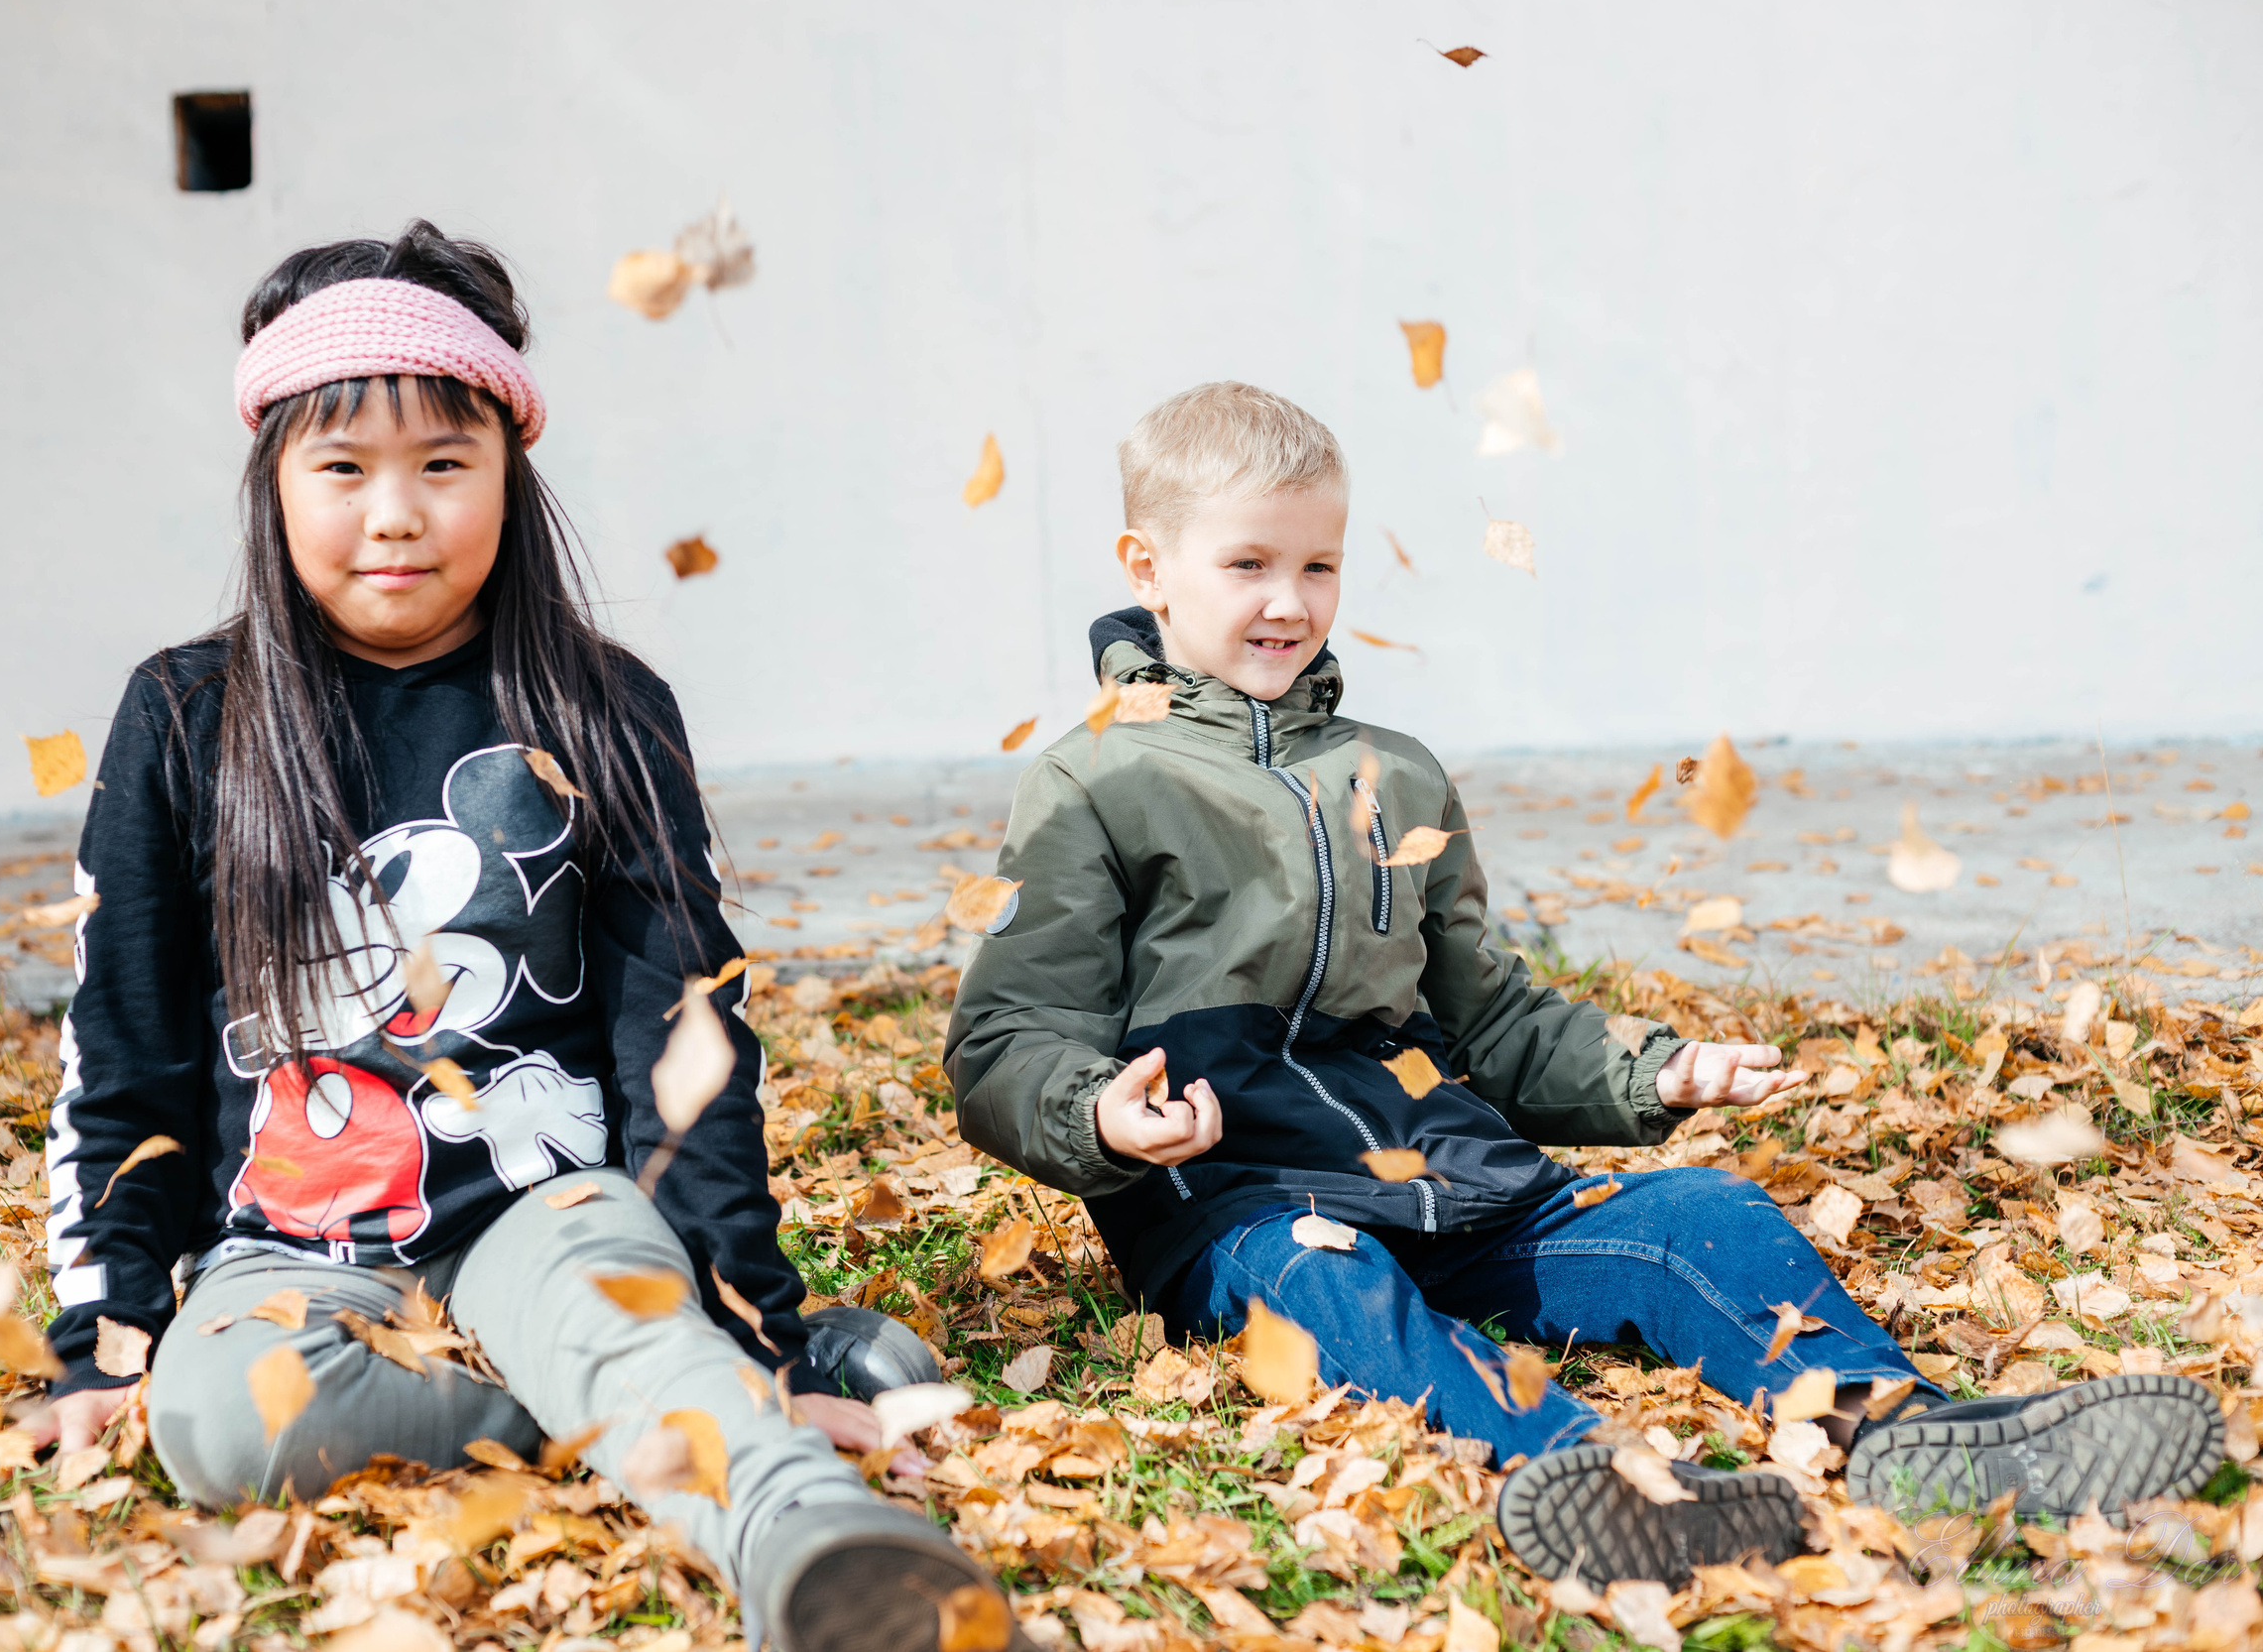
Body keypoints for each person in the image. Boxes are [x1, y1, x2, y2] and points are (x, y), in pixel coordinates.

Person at [945, 381, 2225, 1588]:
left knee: (1699, 1217)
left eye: (1319, 563)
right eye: (1249, 564)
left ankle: (1896, 1425)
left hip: (1458, 1186)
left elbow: (1491, 1014)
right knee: (1330, 1276)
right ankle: (1593, 1483)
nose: (1290, 599)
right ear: (1147, 568)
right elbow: (1007, 1034)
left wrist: (1647, 1069)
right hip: (1240, 1204)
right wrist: (1100, 1111)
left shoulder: (1395, 772)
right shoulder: (1099, 780)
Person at [22, 222, 1023, 1652]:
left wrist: (740, 1302)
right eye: (343, 468)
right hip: (294, 1244)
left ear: (510, 471)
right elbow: (125, 1049)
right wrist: (104, 1339)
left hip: (543, 1205)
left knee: (610, 1296)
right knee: (215, 1421)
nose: (395, 513)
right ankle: (655, 1378)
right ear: (271, 483)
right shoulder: (188, 717)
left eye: (444, 463)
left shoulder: (600, 708)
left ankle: (817, 1540)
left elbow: (682, 1036)